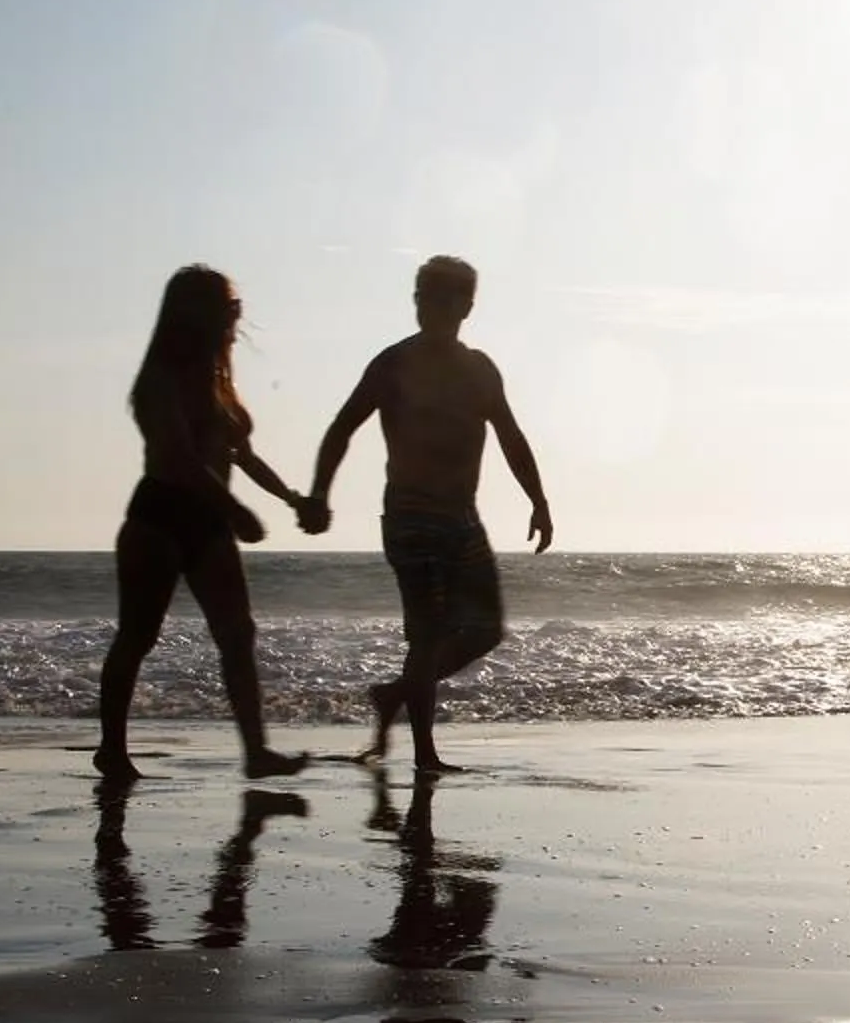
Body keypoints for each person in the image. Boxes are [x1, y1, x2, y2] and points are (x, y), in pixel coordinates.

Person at [304, 255, 552, 770]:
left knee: (486, 630)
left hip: (463, 516)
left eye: (441, 298)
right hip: (411, 517)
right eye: (421, 297)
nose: (428, 308)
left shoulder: (480, 370)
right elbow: (342, 426)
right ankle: (424, 755)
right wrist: (321, 493)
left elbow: (511, 437)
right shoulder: (394, 363)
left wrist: (539, 500)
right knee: (429, 634)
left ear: (466, 306)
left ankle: (396, 694)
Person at [96, 264, 314, 780]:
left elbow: (243, 455)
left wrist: (291, 498)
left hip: (208, 522)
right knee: (137, 637)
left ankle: (256, 752)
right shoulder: (160, 379)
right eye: (228, 305)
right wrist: (235, 509)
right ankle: (112, 749)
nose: (237, 315)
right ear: (197, 312)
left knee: (238, 634)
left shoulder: (219, 378)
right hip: (161, 516)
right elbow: (178, 458)